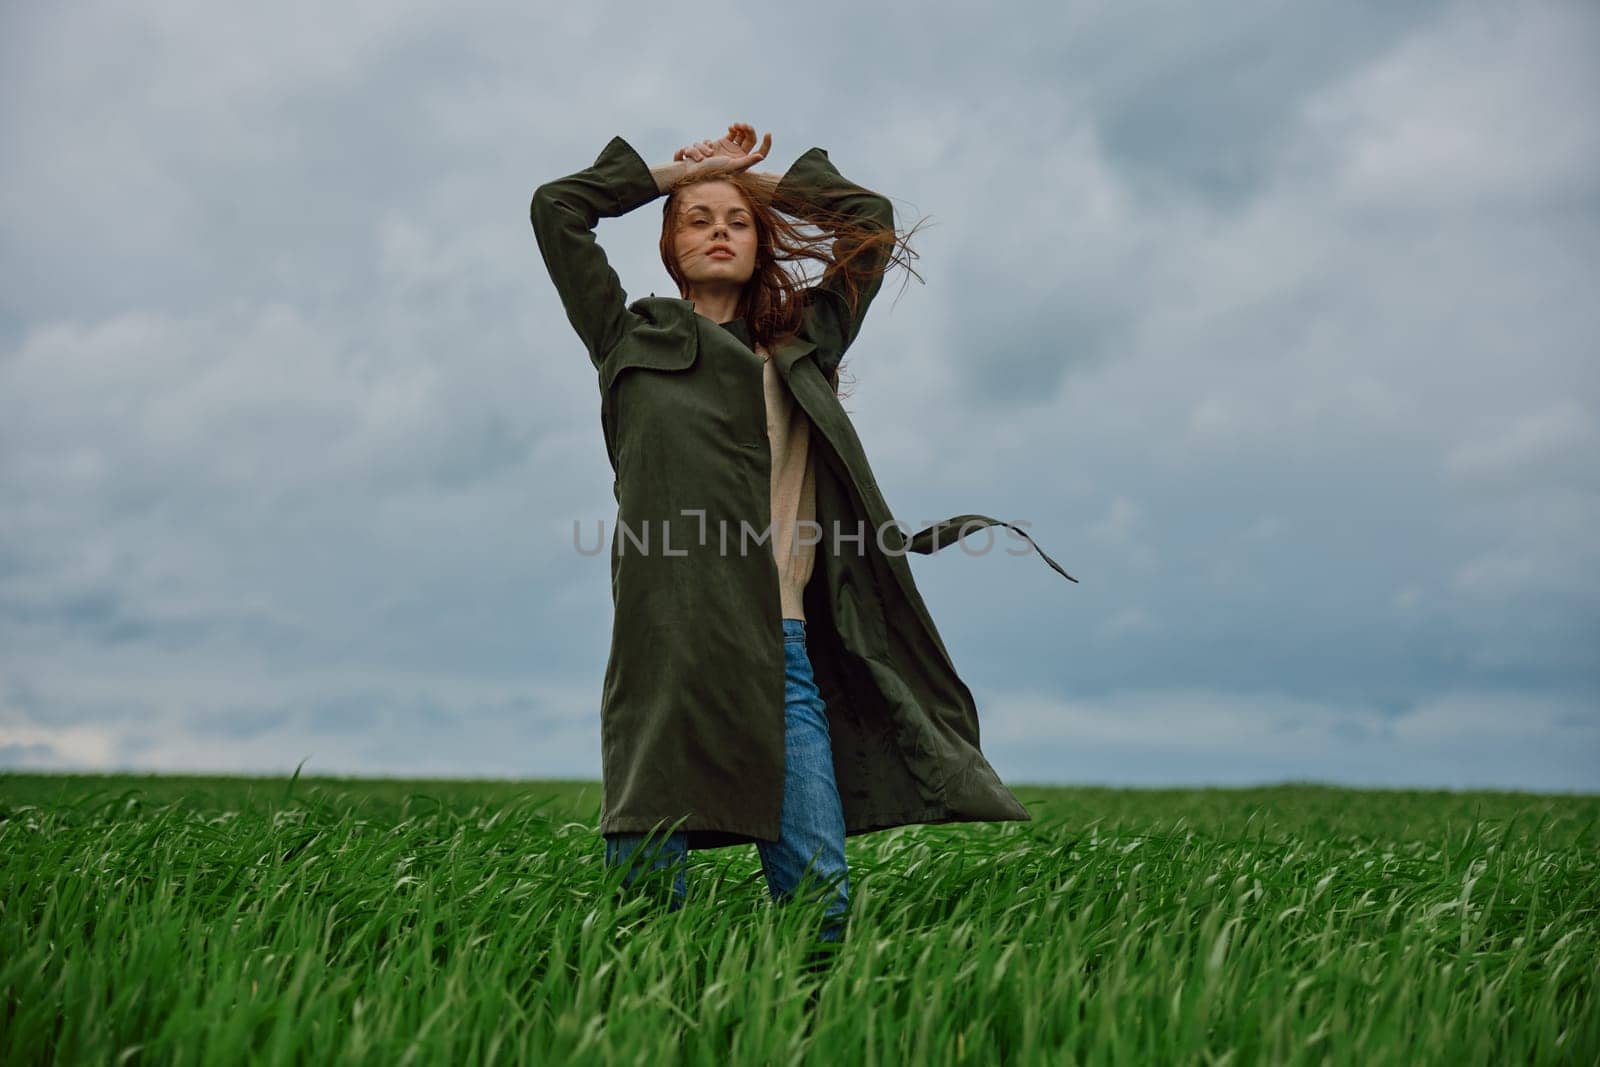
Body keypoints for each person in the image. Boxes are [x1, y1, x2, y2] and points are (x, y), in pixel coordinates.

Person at [530, 123, 1076, 948]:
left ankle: (804, 1027)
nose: (719, 228)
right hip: (666, 643)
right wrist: (693, 168)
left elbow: (871, 220)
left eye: (737, 221)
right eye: (699, 218)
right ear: (671, 248)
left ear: (758, 244)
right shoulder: (627, 337)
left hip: (780, 648)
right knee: (646, 897)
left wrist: (761, 185)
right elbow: (557, 208)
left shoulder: (802, 347)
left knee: (818, 898)